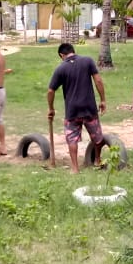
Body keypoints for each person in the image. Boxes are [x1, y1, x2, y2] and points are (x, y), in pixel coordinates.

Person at [47, 42, 107, 174]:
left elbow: (51, 91)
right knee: (97, 136)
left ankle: (75, 168)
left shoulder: (61, 68)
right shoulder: (88, 61)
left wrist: (51, 108)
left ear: (61, 55)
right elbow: (98, 81)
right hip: (89, 107)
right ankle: (97, 160)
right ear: (73, 51)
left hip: (72, 110)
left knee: (72, 139)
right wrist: (102, 100)